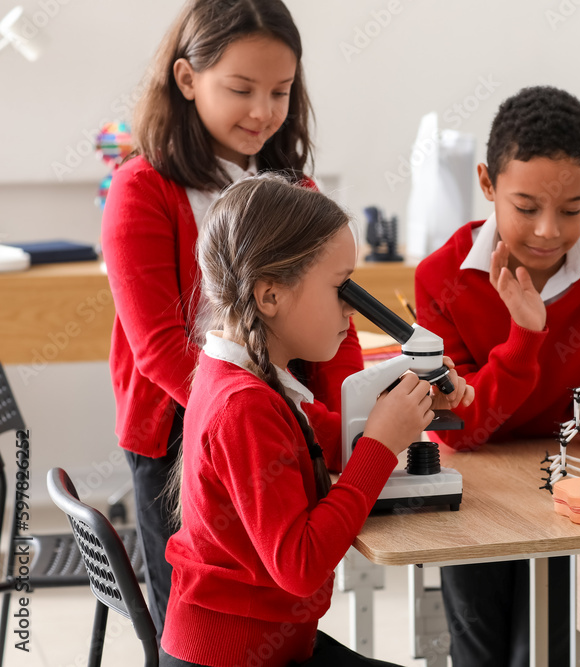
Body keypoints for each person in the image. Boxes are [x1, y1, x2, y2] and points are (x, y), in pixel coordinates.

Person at [100, 0, 360, 641]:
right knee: (203, 624)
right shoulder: (143, 188)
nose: (263, 112)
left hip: (274, 428)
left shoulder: (296, 194)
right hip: (182, 434)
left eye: (280, 91)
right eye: (241, 89)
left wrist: (350, 423)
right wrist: (254, 418)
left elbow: (337, 327)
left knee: (277, 602)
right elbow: (161, 347)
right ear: (187, 80)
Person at [160, 175, 473, 667]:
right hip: (230, 655)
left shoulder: (245, 375)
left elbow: (322, 440)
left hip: (264, 645)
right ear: (270, 297)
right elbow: (300, 566)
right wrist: (380, 444)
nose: (352, 307)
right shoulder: (242, 404)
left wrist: (412, 404)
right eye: (340, 287)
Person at [415, 85, 580, 667]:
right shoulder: (441, 279)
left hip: (557, 491)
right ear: (487, 184)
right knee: (478, 651)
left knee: (548, 648)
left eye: (572, 209)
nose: (549, 230)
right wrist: (526, 336)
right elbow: (460, 428)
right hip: (471, 494)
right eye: (526, 207)